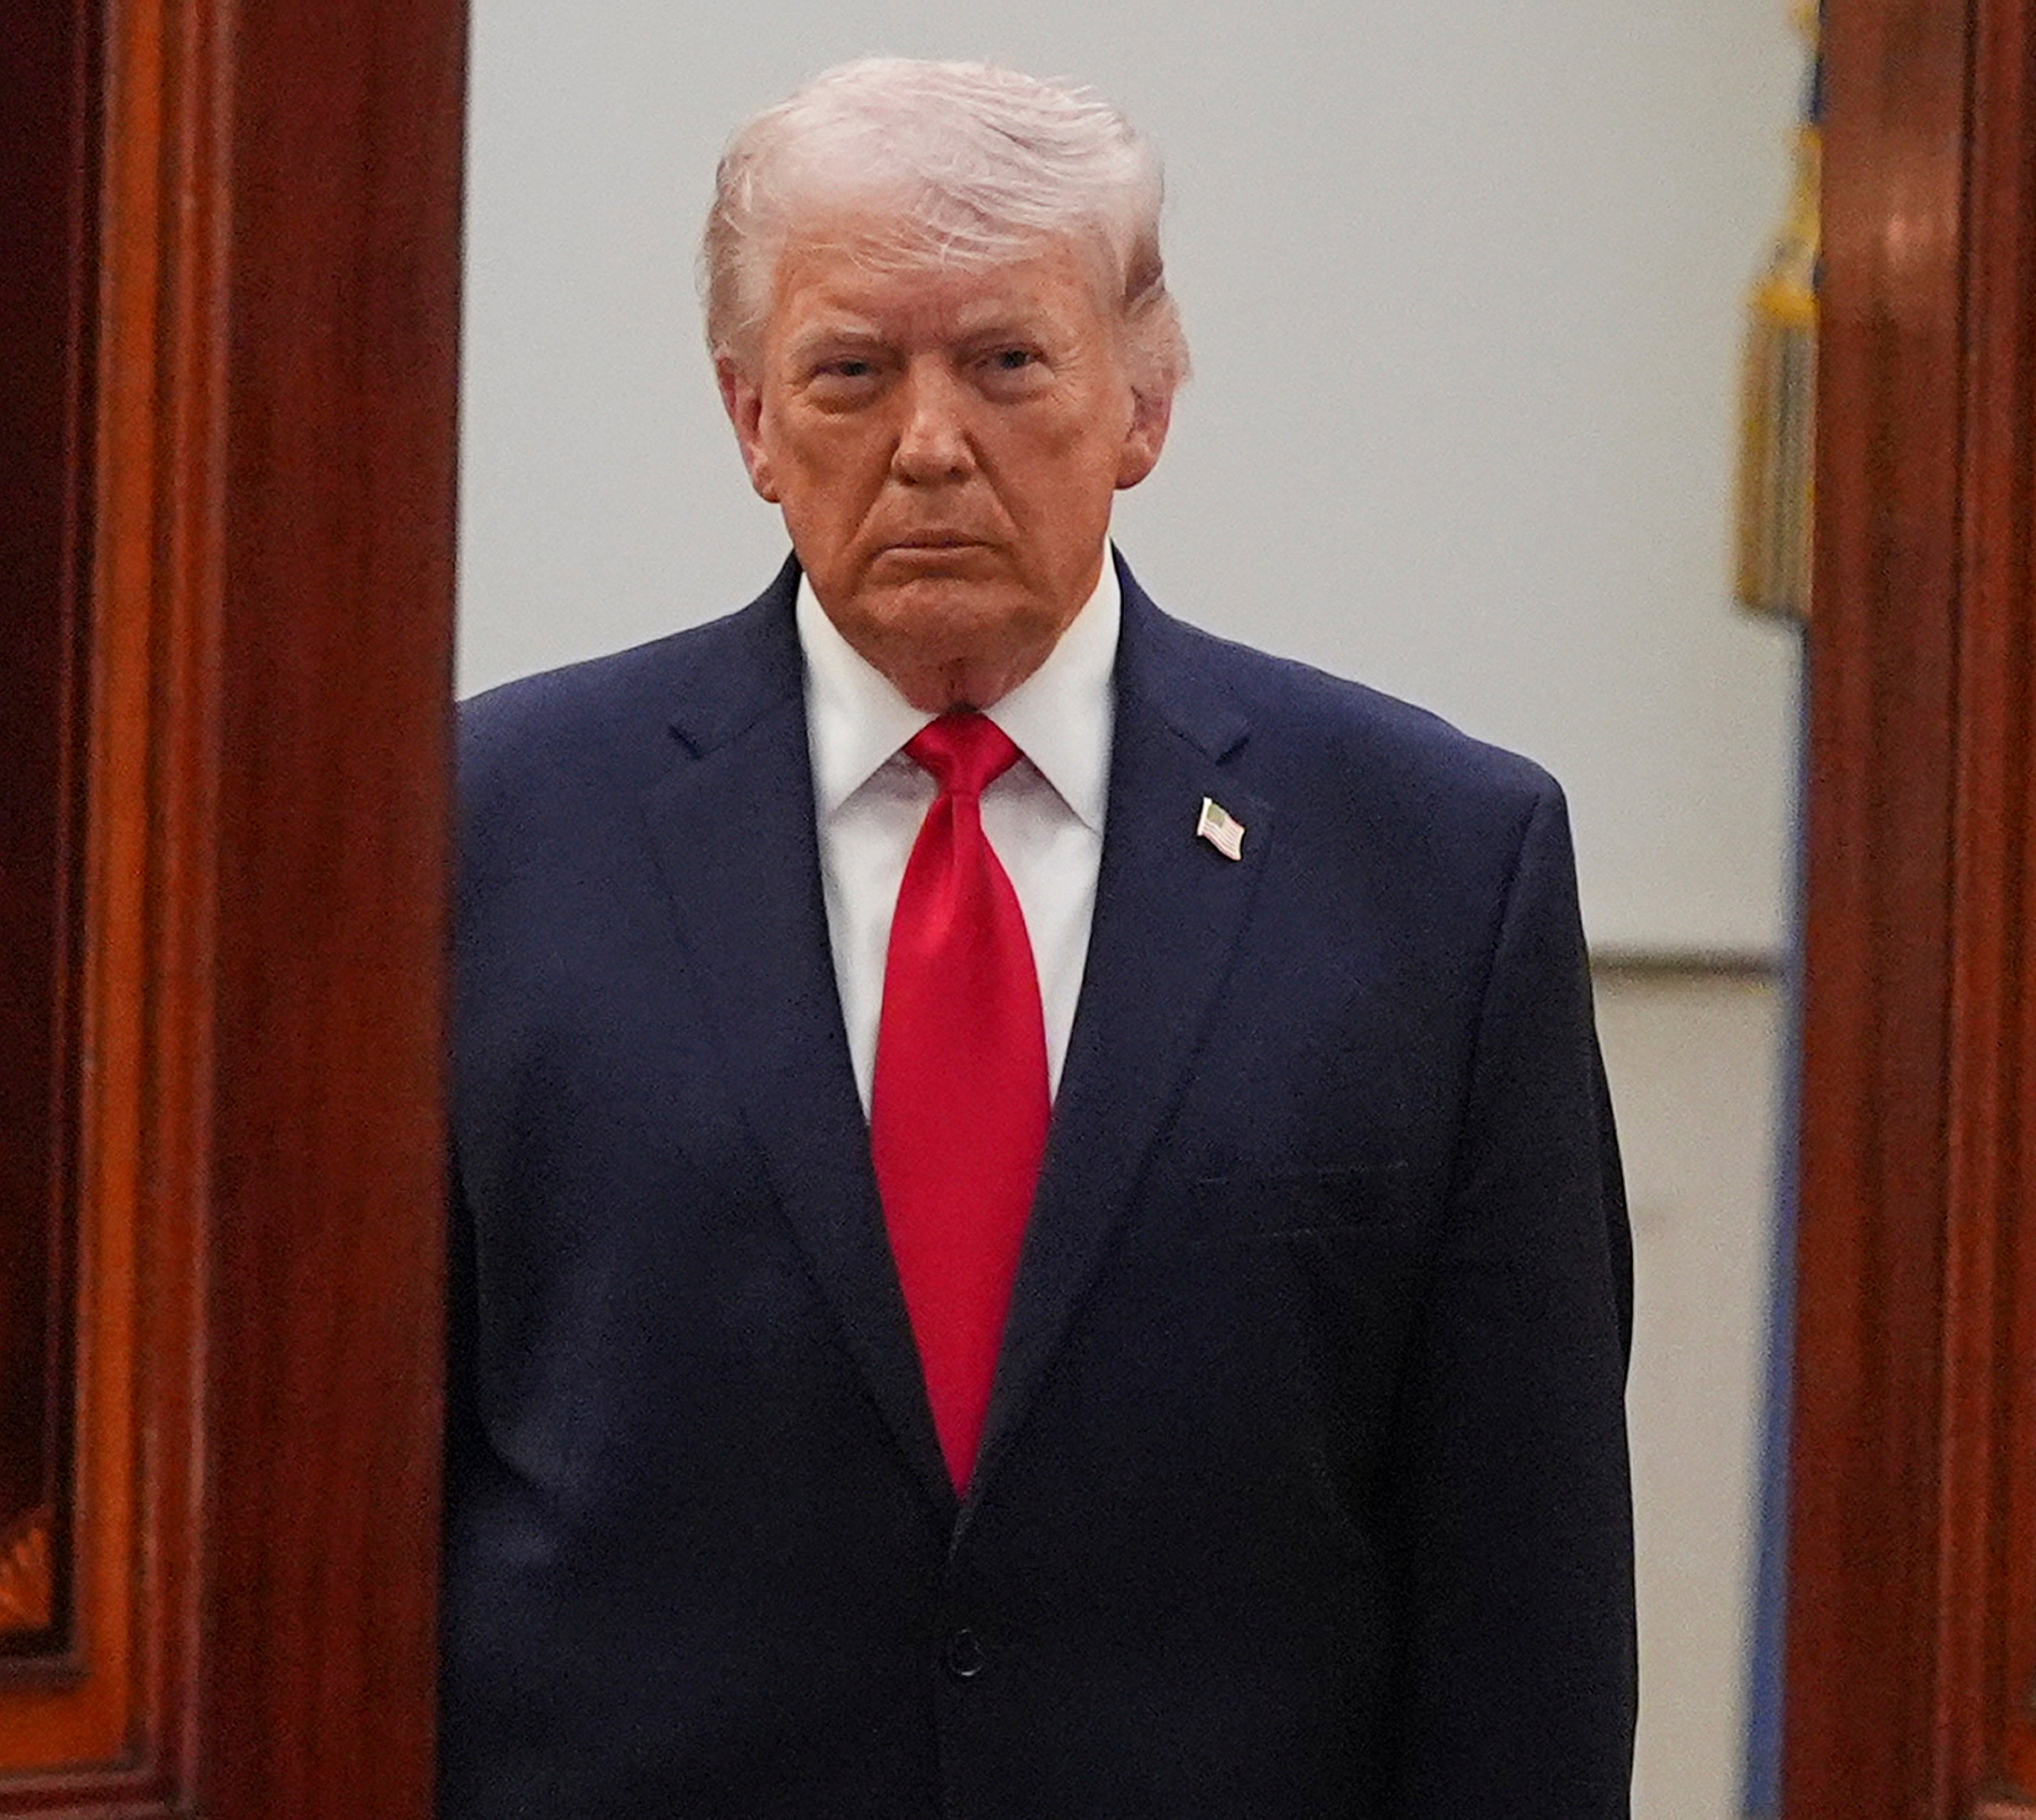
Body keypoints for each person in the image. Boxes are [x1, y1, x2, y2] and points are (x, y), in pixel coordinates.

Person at [446, 57, 1634, 1817]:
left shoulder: (1441, 866)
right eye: (853, 373)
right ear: (751, 421)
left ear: (1144, 403)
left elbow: (1525, 1597)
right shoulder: (481, 836)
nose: (931, 443)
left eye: (1006, 363)